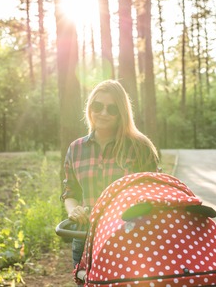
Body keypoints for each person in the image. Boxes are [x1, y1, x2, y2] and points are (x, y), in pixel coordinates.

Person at [60, 79, 160, 270]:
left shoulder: (140, 147)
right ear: (90, 108)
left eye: (112, 109)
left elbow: (156, 192)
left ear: (121, 113)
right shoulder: (76, 149)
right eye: (98, 106)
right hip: (85, 238)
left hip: (129, 237)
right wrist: (73, 210)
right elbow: (69, 192)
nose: (103, 113)